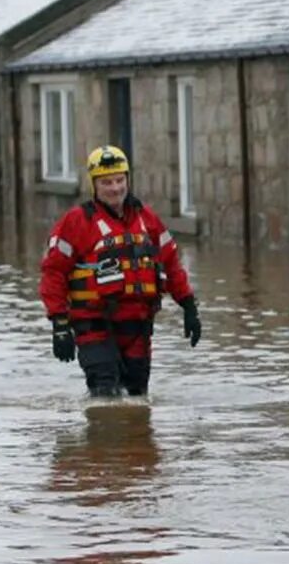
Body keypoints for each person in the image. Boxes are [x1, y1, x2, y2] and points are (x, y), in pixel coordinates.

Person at [40, 144, 201, 398]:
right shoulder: (76, 222)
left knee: (138, 398)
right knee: (105, 394)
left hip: (137, 328)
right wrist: (59, 324)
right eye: (106, 183)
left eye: (119, 180)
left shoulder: (147, 219)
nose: (115, 188)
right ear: (94, 185)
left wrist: (189, 306)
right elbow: (53, 273)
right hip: (94, 326)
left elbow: (171, 264)